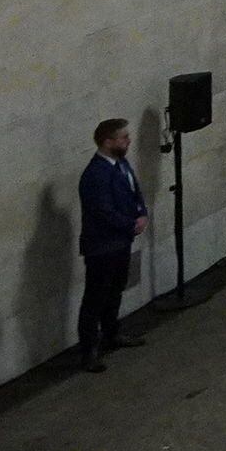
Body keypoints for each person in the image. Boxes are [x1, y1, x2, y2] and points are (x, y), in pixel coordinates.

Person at [75, 119, 145, 370]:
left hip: (120, 242)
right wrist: (130, 224)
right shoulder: (96, 174)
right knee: (95, 299)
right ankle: (89, 352)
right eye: (123, 137)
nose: (128, 141)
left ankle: (111, 334)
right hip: (102, 246)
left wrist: (142, 213)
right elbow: (104, 211)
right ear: (107, 141)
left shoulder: (121, 164)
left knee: (114, 291)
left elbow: (134, 192)